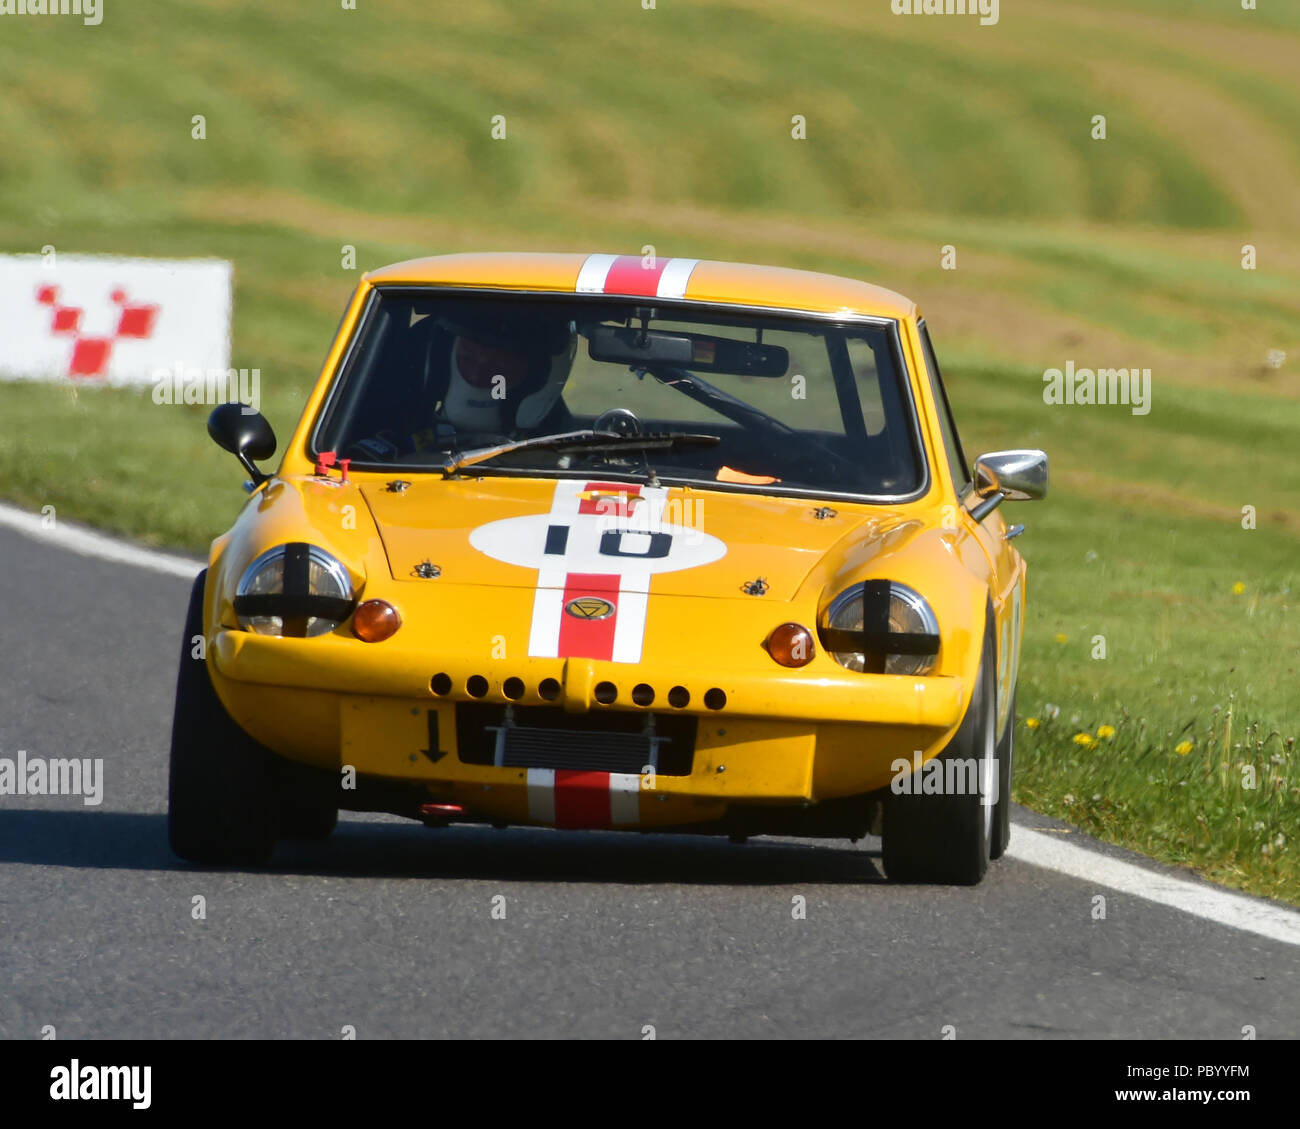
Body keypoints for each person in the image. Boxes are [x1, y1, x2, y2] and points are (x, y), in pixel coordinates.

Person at [435, 312, 577, 440]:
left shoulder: (567, 454)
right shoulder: (416, 428)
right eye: (468, 359)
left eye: (496, 367)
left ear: (538, 375)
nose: (476, 375)